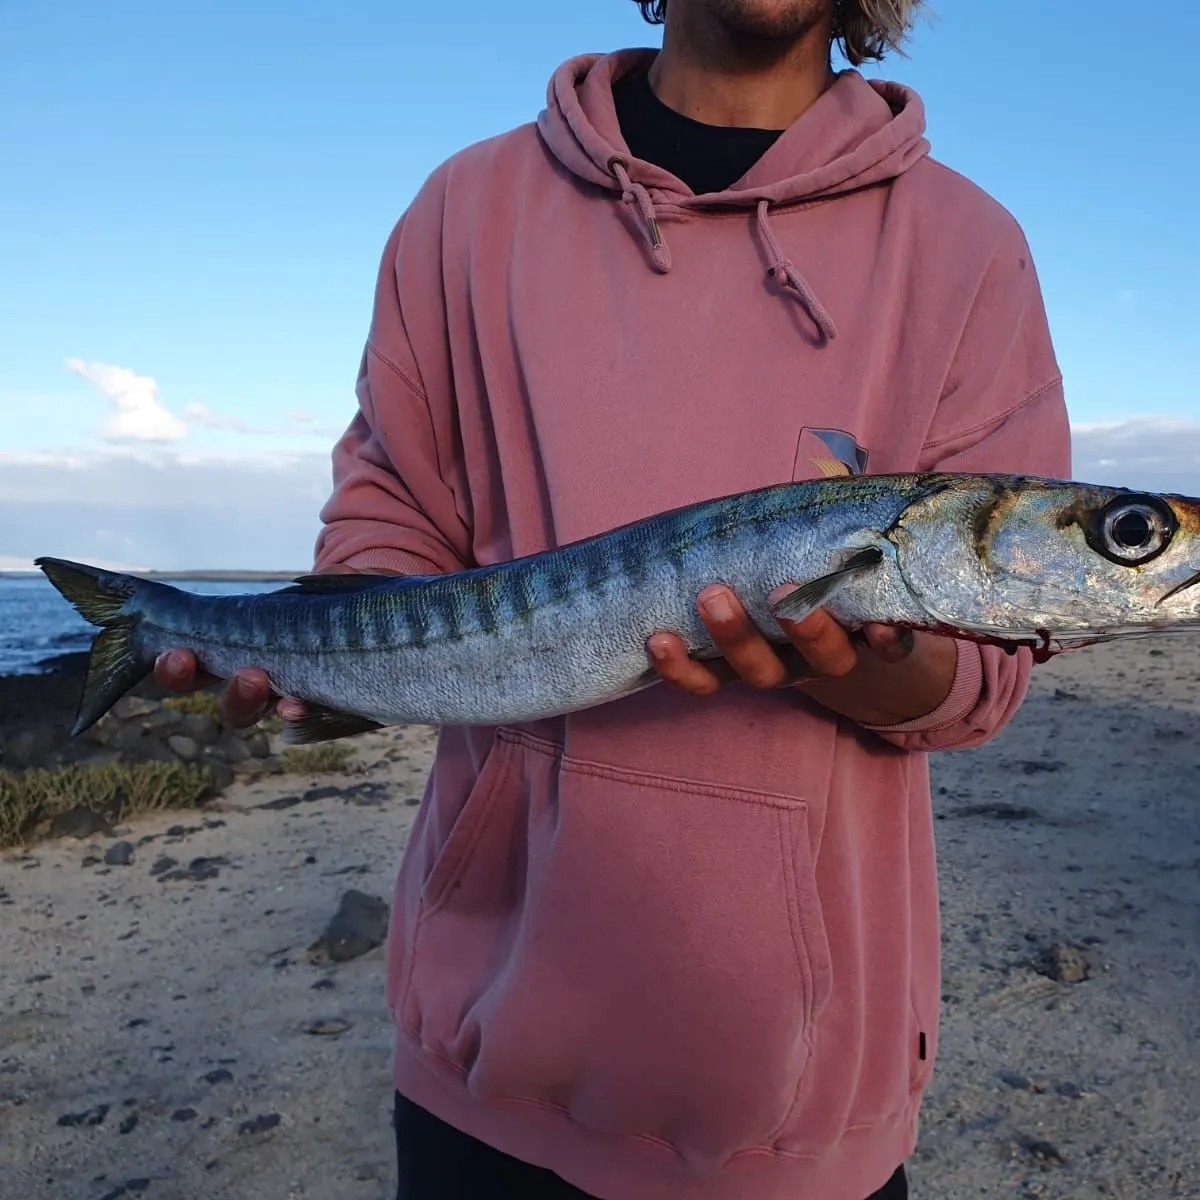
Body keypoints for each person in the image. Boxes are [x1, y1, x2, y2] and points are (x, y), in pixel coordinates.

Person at [157, 1, 1071, 1196]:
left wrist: (854, 658)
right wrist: (337, 673)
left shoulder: (971, 245)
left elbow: (982, 680)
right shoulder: (464, 210)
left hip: (797, 1116)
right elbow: (389, 516)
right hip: (483, 1062)